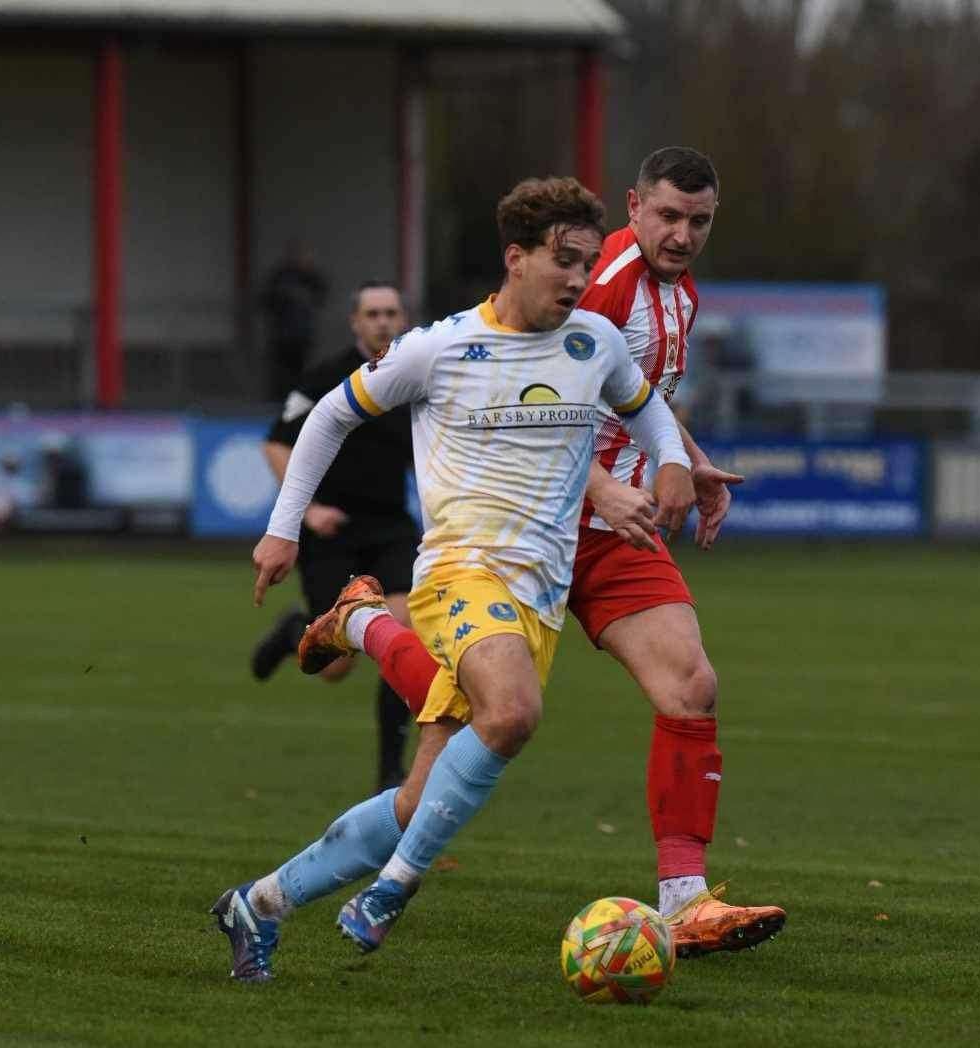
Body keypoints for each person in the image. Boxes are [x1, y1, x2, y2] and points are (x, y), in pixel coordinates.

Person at [283, 147, 786, 958]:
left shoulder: (677, 292)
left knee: (690, 685)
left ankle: (686, 900)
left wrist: (681, 459)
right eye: (667, 216)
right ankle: (370, 626)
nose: (683, 234)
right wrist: (598, 487)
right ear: (632, 206)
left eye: (700, 221)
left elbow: (633, 398)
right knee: (440, 774)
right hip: (530, 529)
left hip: (616, 534)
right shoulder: (601, 279)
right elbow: (531, 410)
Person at [209, 175, 695, 981]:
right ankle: (389, 893)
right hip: (460, 573)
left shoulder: (593, 345)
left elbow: (643, 405)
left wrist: (673, 463)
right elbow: (331, 414)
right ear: (516, 257)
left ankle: (258, 904)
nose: (578, 280)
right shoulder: (442, 348)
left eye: (586, 263)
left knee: (416, 802)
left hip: (535, 596)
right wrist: (281, 527)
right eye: (564, 261)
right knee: (512, 712)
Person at [250, 280, 417, 791]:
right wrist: (309, 511)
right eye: (373, 313)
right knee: (335, 665)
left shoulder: (416, 376)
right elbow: (276, 445)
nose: (383, 322)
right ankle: (295, 628)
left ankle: (390, 771)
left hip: (390, 526)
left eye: (391, 312)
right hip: (333, 530)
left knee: (404, 638)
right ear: (355, 322)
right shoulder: (324, 376)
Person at [259, 241, 330, 400]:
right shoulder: (280, 277)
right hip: (281, 333)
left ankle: (294, 398)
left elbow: (321, 295)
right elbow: (265, 301)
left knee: (299, 369)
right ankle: (277, 399)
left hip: (302, 334)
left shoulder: (310, 278)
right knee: (280, 370)